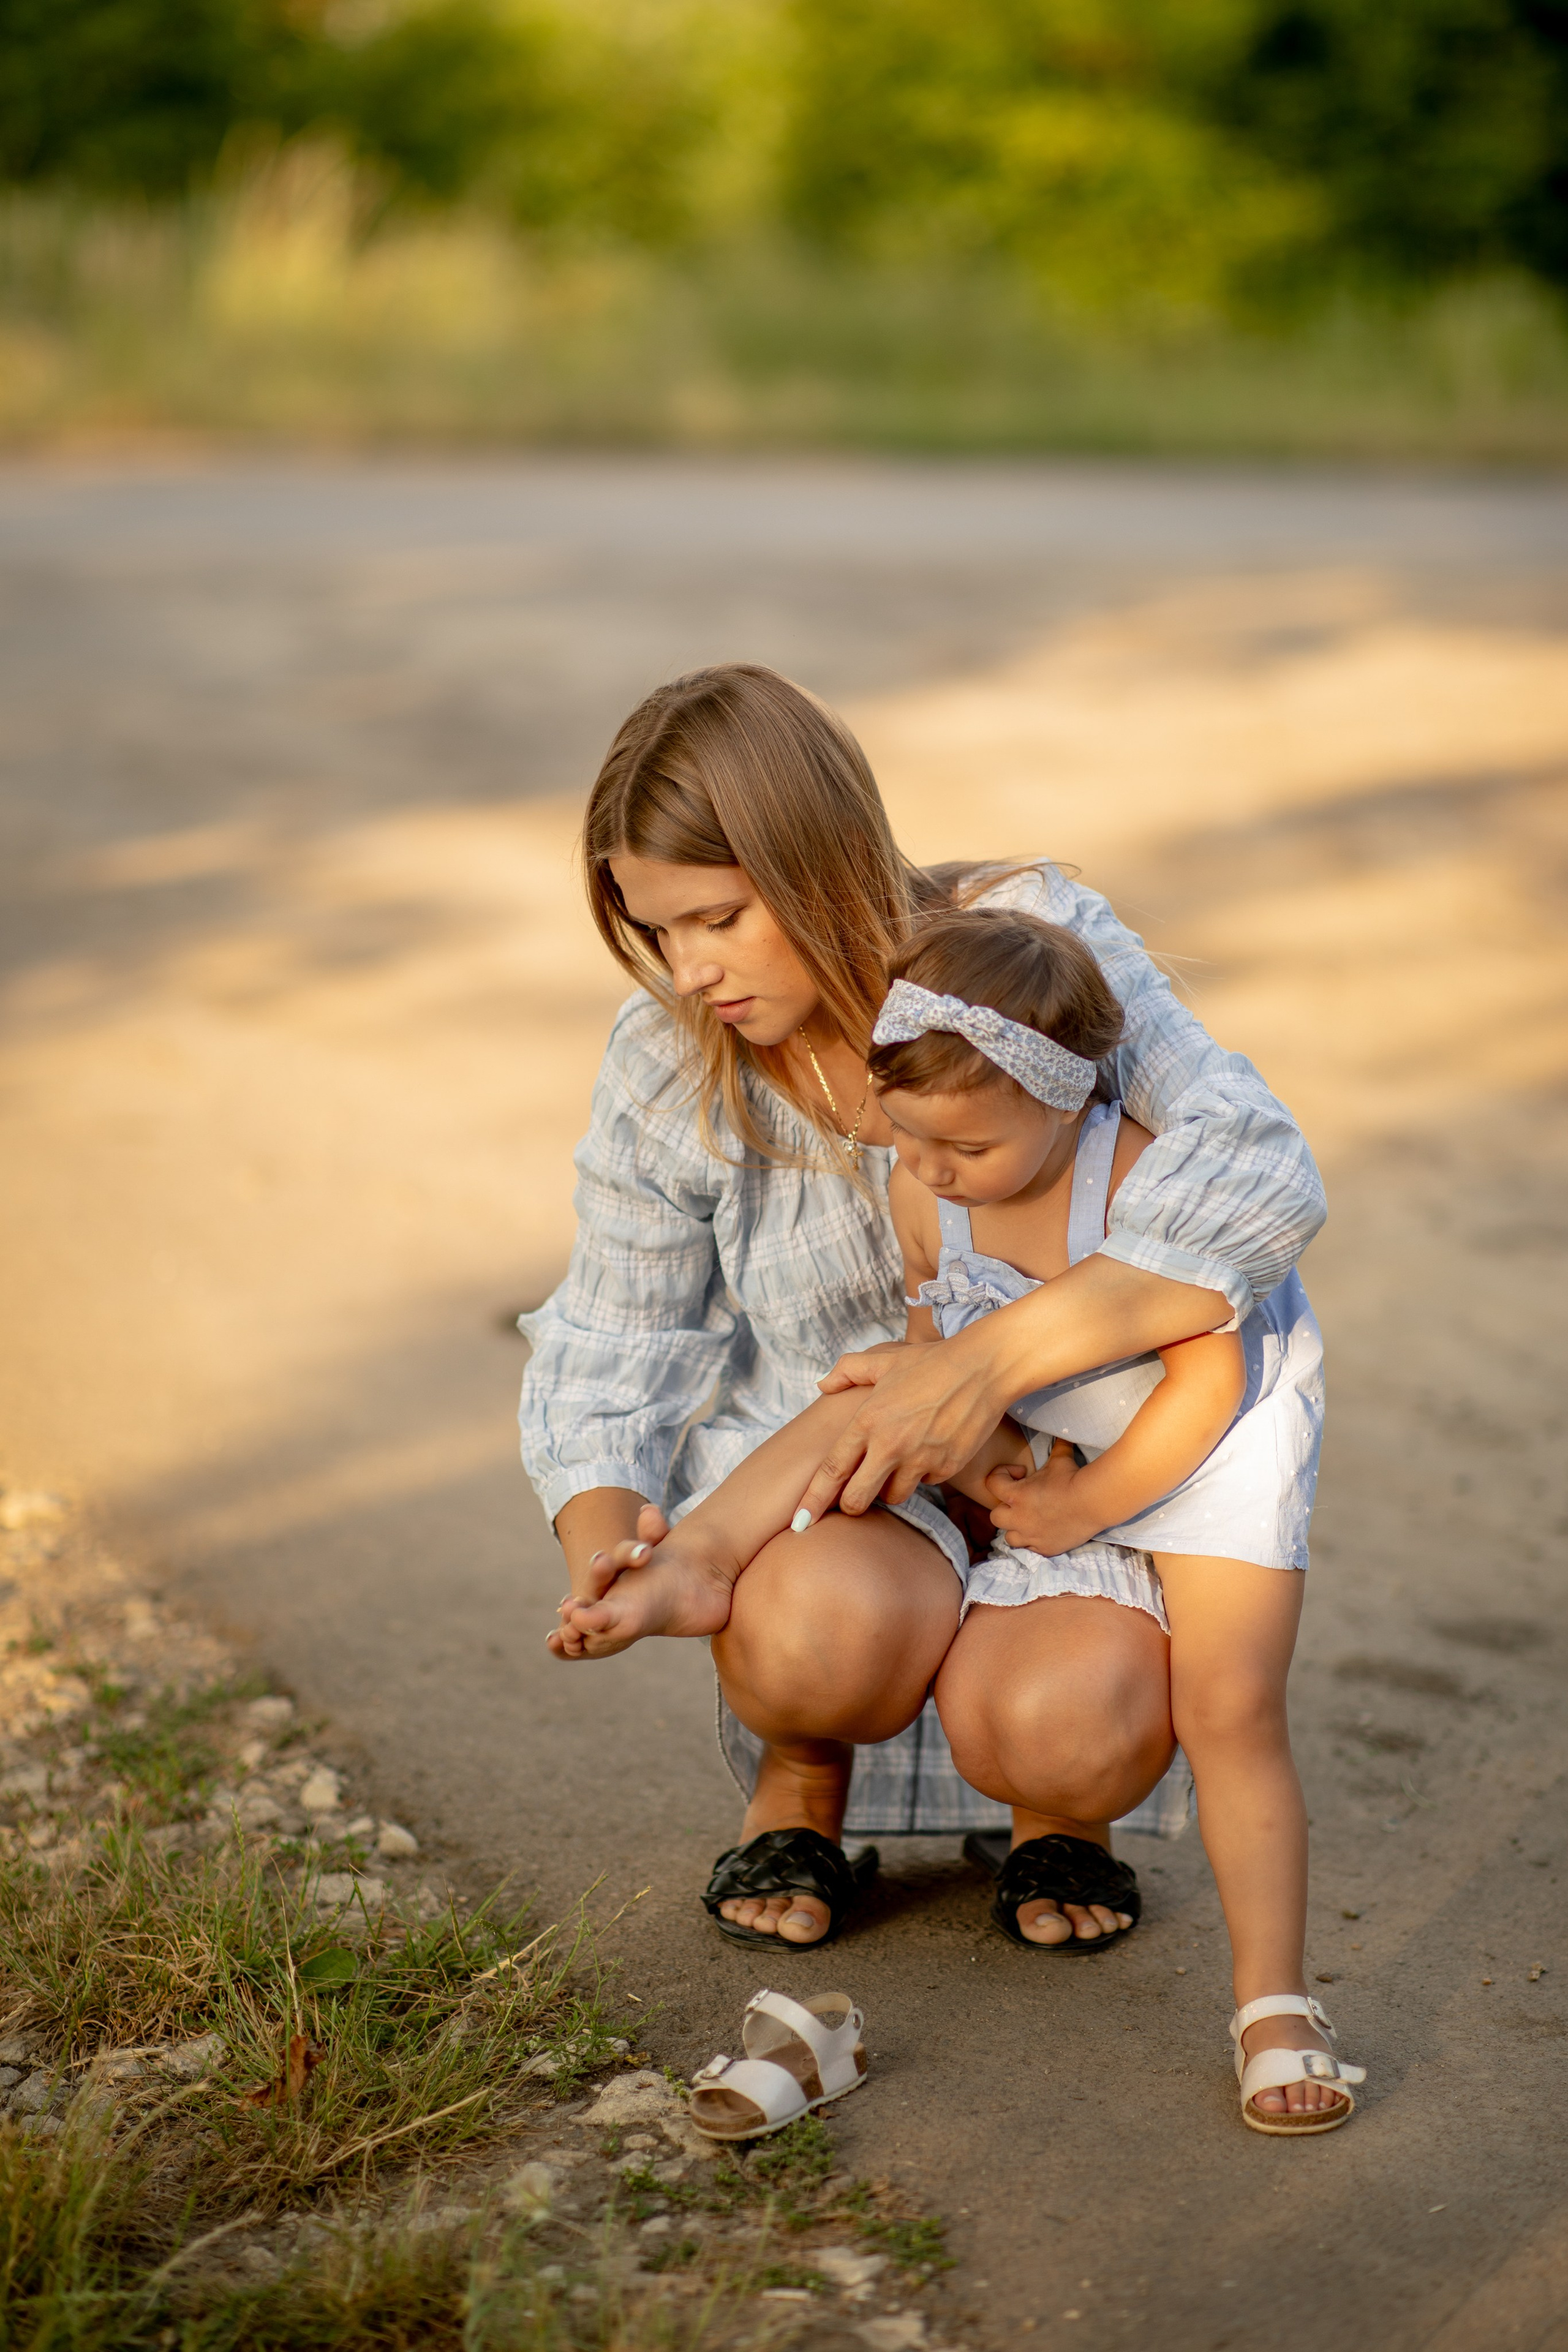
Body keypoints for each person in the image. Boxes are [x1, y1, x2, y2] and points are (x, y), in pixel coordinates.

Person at [519, 662, 1329, 2108]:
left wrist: (991, 1371)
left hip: (1069, 1475)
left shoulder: (1022, 957)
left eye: (719, 916)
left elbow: (1251, 1172)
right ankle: (799, 1778)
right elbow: (614, 1332)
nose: (692, 966)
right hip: (863, 1487)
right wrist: (616, 1546)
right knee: (810, 1610)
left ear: (816, 861)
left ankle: (1050, 1811)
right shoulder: (666, 1063)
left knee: (1071, 1719)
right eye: (659, 930)